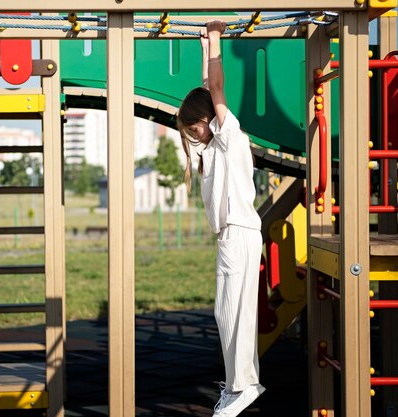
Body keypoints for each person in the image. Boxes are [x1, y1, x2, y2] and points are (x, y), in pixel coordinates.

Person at [177, 20, 265, 417]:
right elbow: (204, 89)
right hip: (235, 236)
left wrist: (215, 39)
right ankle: (239, 384)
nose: (193, 134)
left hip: (239, 233)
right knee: (228, 310)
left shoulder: (229, 135)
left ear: (206, 119)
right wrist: (202, 48)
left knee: (233, 311)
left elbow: (214, 90)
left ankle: (242, 387)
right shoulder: (215, 144)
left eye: (194, 126)